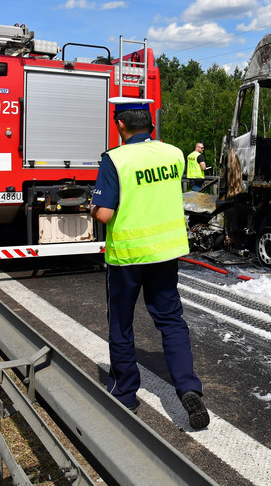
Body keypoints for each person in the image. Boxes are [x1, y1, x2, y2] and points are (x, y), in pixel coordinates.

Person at [90, 97, 209, 430]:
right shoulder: (173, 154)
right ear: (151, 125)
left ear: (120, 126)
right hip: (165, 253)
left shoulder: (115, 160)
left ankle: (126, 395)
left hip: (127, 256)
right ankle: (188, 388)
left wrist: (92, 207)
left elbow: (105, 213)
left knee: (122, 324)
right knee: (171, 321)